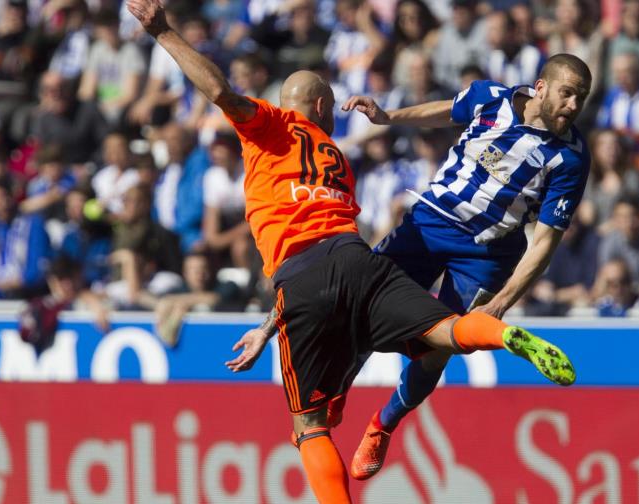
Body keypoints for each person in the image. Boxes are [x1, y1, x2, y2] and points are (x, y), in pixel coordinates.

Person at [126, 2, 576, 503]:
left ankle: (373, 424)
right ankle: (501, 335)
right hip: (366, 248)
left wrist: (164, 32)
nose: (574, 105)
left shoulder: (271, 126)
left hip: (320, 271)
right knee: (442, 334)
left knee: (309, 425)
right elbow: (442, 113)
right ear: (323, 109)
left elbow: (218, 91)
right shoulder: (336, 159)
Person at [342, 52, 591, 479]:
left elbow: (545, 242)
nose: (573, 106)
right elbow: (447, 110)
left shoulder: (570, 160)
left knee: (442, 349)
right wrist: (389, 117)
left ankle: (383, 424)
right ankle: (331, 395)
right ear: (542, 87)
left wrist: (502, 304)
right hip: (429, 222)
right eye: (567, 94)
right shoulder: (490, 97)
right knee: (361, 303)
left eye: (581, 99)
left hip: (486, 253)